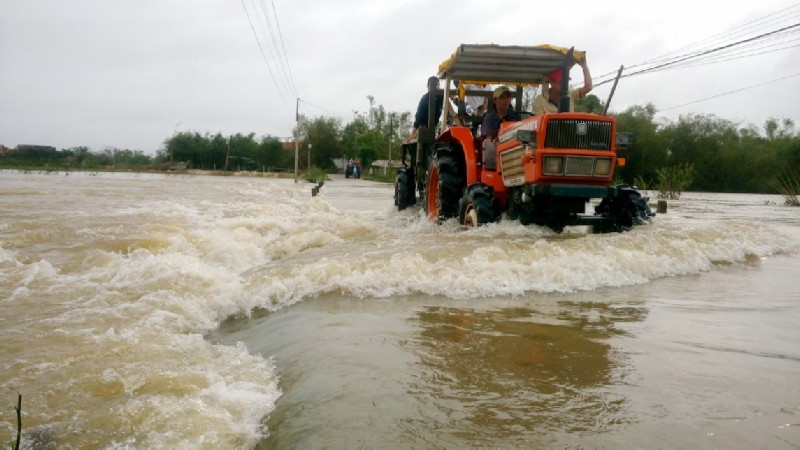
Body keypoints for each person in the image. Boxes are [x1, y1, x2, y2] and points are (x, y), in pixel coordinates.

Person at [408, 76, 444, 140]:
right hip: (424, 125)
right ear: (427, 86)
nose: (435, 87)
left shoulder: (441, 97)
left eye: (437, 84)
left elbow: (447, 107)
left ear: (439, 86)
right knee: (425, 140)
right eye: (432, 85)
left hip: (435, 125)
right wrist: (413, 132)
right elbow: (419, 115)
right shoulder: (425, 98)